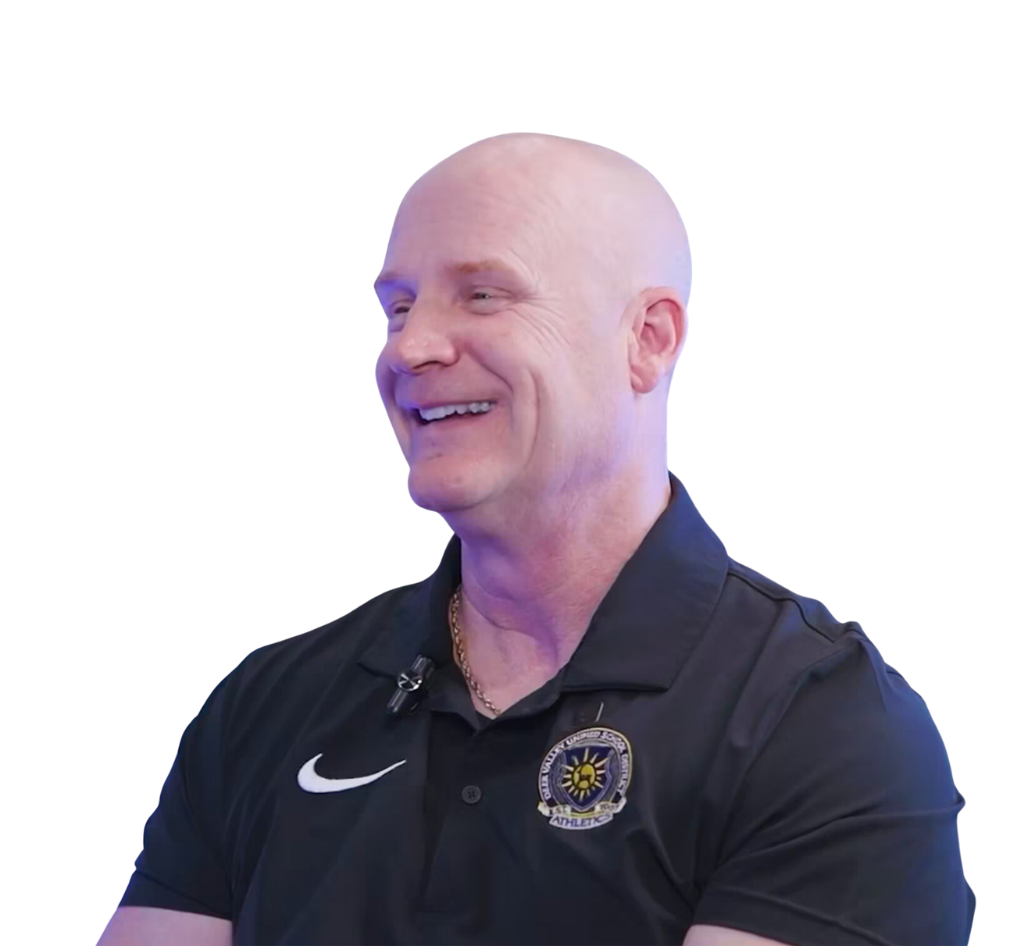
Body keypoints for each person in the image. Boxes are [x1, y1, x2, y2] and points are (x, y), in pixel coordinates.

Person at [98, 132, 975, 946]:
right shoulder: (267, 703)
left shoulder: (817, 724)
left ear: (648, 340)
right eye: (398, 308)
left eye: (483, 294)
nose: (410, 348)